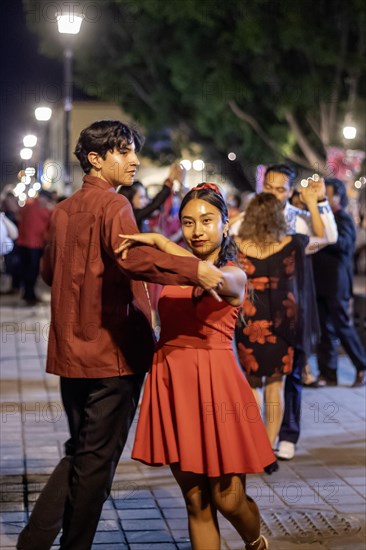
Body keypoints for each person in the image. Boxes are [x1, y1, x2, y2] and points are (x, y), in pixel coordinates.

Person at [16, 121, 223, 550]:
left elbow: (49, 273)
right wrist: (195, 269)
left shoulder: (63, 209)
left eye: (133, 151)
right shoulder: (114, 205)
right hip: (112, 355)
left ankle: (33, 542)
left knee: (81, 453)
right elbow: (132, 261)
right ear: (96, 158)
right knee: (97, 465)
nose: (133, 160)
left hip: (70, 354)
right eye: (124, 152)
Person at [116, 183, 274, 550]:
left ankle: (256, 543)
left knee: (228, 499)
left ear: (225, 223)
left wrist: (162, 242)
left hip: (218, 388)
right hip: (172, 383)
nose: (197, 231)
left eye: (206, 221)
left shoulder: (235, 273)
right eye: (188, 223)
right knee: (196, 502)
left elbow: (212, 277)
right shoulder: (175, 271)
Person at [262, 164, 338, 460]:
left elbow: (329, 236)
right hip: (258, 308)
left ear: (290, 191)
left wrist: (317, 202)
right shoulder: (250, 220)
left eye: (280, 189)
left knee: (292, 371)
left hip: (293, 306)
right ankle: (261, 434)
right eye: (269, 187)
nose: (273, 194)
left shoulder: (298, 220)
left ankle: (288, 434)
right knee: (260, 375)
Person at [234, 193, 309, 450]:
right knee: (276, 386)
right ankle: (268, 447)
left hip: (248, 320)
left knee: (252, 382)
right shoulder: (293, 243)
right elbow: (325, 236)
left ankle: (254, 445)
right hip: (283, 322)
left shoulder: (236, 243)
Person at [312, 178, 366, 387]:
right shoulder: (318, 217)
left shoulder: (342, 218)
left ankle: (361, 367)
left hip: (336, 284)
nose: (323, 197)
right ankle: (328, 374)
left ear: (338, 197)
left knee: (343, 326)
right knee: (324, 330)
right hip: (320, 282)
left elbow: (344, 245)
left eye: (328, 193)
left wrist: (324, 238)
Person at [118, 163, 186, 231]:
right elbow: (155, 204)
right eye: (141, 197)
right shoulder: (131, 216)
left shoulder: (140, 217)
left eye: (145, 196)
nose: (145, 200)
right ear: (129, 199)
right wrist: (169, 181)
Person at [16, 190, 54, 305]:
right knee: (32, 270)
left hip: (23, 243)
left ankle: (28, 293)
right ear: (42, 197)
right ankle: (29, 295)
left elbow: (19, 217)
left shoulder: (28, 205)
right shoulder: (43, 209)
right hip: (34, 244)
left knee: (26, 269)